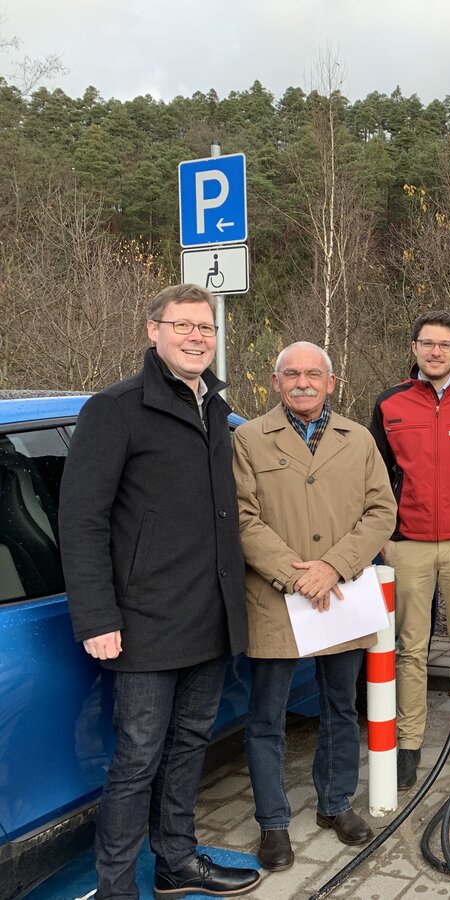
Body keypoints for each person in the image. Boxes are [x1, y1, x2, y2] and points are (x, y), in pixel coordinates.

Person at [59, 284, 260, 899]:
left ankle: (175, 863)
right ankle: (117, 887)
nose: (197, 337)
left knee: (188, 747)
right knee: (137, 761)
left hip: (208, 615)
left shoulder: (215, 411)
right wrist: (97, 616)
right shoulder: (115, 408)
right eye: (183, 326)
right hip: (143, 623)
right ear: (153, 331)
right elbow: (82, 520)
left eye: (206, 328)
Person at [233, 341, 396, 870]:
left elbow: (380, 512)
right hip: (277, 597)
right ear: (276, 382)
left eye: (313, 374)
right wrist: (295, 575)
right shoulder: (249, 439)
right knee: (267, 717)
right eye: (291, 374)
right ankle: (273, 824)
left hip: (341, 594)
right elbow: (242, 518)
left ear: (330, 382)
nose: (302, 382)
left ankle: (335, 804)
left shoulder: (359, 438)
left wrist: (333, 567)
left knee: (340, 706)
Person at [370, 310, 450, 790]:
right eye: (428, 343)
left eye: (445, 344)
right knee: (411, 648)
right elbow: (376, 476)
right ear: (414, 348)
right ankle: (409, 744)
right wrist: (384, 534)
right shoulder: (390, 404)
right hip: (408, 545)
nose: (436, 351)